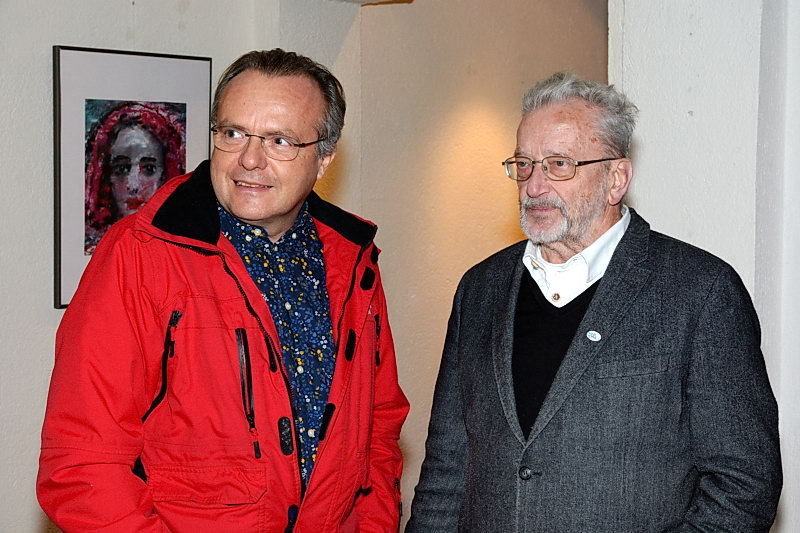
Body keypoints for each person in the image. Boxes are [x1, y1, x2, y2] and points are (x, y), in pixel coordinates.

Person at [38, 49, 409, 532]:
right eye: (233, 133)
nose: (249, 160)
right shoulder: (141, 254)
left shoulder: (353, 259)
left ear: (324, 158)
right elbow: (83, 463)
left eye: (280, 141)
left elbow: (378, 429)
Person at [406, 72, 781, 532]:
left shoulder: (700, 291)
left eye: (558, 164)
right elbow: (447, 469)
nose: (534, 186)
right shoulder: (480, 289)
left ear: (615, 178)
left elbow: (744, 485)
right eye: (524, 164)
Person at [84, 101, 186, 253]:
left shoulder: (181, 248)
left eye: (149, 169)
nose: (133, 186)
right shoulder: (98, 249)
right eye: (122, 169)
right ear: (106, 177)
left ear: (166, 175)